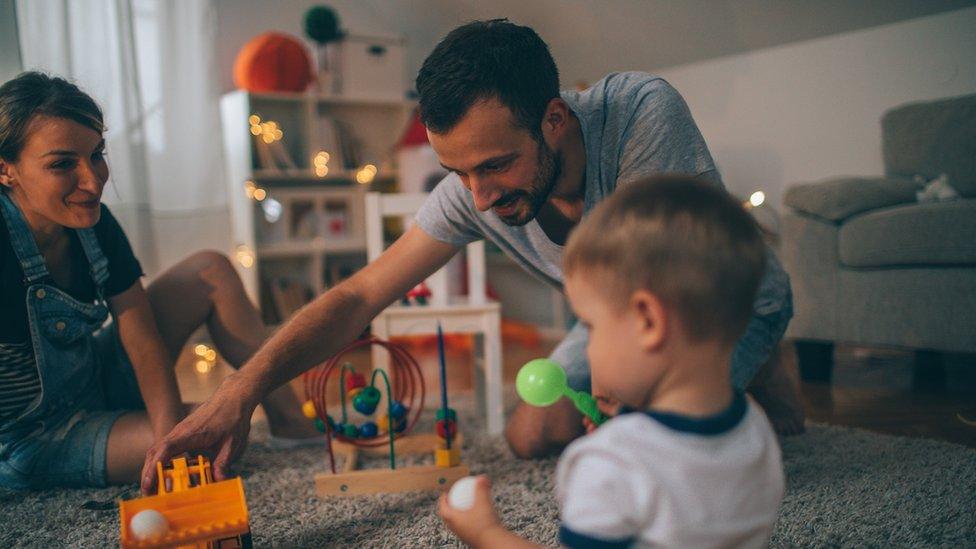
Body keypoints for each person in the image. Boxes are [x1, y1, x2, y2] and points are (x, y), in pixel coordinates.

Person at [143, 19, 801, 492]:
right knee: (530, 434)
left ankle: (766, 372)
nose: (480, 198)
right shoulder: (474, 188)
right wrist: (239, 392)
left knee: (663, 465)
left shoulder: (639, 115)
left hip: (712, 306)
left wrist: (630, 414)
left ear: (553, 119)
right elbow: (358, 296)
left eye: (494, 166)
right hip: (610, 325)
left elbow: (676, 292)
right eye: (458, 172)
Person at [0, 72, 314, 490]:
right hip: (36, 436)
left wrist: (171, 437)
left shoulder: (95, 224)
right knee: (214, 440)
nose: (93, 181)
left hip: (96, 378)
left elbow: (141, 335)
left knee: (212, 270)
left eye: (97, 154)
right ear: (6, 170)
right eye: (62, 164)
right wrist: (177, 444)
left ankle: (293, 423)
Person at [439, 176, 785, 548]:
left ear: (648, 322)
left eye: (590, 326)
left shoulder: (611, 463)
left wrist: (486, 533)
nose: (586, 347)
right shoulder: (754, 425)